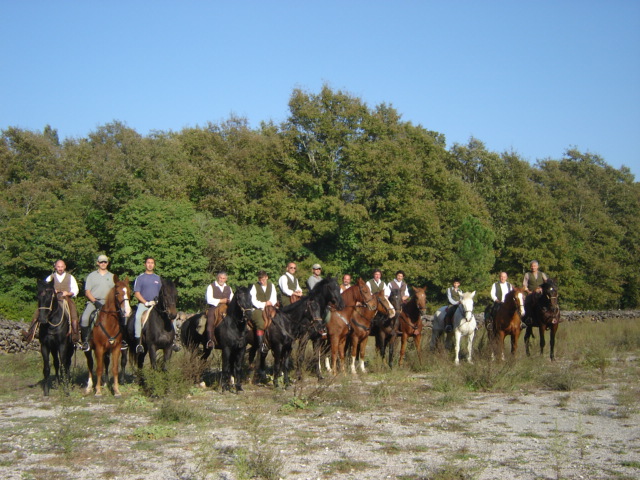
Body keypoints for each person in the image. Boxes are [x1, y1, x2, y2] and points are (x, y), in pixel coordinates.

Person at [23, 259, 81, 344]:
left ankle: (75, 334)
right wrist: (53, 291)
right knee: (39, 311)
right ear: (55, 267)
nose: (60, 268)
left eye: (62, 267)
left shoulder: (70, 277)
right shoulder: (50, 277)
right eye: (58, 267)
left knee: (73, 311)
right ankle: (30, 333)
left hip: (66, 299)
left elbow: (75, 290)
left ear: (64, 267)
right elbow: (44, 290)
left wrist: (68, 293)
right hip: (53, 300)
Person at [133, 257, 179, 354]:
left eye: (152, 263)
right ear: (145, 264)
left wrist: (159, 302)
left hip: (157, 305)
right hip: (144, 304)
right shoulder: (140, 278)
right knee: (137, 317)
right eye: (148, 263)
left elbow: (163, 293)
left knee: (172, 317)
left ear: (154, 265)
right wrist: (145, 302)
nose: (150, 264)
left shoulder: (158, 278)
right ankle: (139, 343)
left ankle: (173, 341)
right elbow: (136, 293)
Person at [80, 255, 116, 352]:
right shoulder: (91, 276)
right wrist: (95, 302)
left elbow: (115, 292)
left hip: (108, 303)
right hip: (94, 301)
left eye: (105, 262)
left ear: (107, 263)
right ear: (97, 263)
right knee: (84, 318)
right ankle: (85, 342)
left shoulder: (112, 276)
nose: (103, 264)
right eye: (101, 262)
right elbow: (87, 292)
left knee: (120, 317)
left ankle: (121, 340)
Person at [250, 270, 277, 354]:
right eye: (260, 278)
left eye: (264, 278)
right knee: (261, 323)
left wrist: (270, 303)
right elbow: (253, 300)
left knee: (278, 320)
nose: (262, 280)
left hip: (270, 307)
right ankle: (261, 345)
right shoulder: (255, 286)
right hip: (258, 308)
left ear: (267, 277)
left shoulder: (271, 285)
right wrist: (264, 304)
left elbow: (274, 297)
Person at [205, 271, 234, 349]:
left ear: (226, 279)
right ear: (218, 278)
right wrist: (221, 301)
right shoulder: (211, 286)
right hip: (214, 307)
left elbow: (232, 299)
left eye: (223, 278)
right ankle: (210, 340)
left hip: (226, 307)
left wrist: (229, 302)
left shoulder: (229, 288)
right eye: (220, 278)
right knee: (210, 320)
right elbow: (209, 299)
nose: (221, 280)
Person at [522, 260, 549, 327]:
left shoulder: (542, 274)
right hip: (531, 293)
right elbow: (524, 285)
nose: (533, 267)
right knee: (526, 303)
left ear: (537, 267)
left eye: (534, 266)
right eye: (532, 266)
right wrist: (529, 292)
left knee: (551, 300)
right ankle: (527, 318)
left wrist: (542, 289)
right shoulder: (527, 274)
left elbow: (547, 283)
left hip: (541, 293)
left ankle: (552, 317)